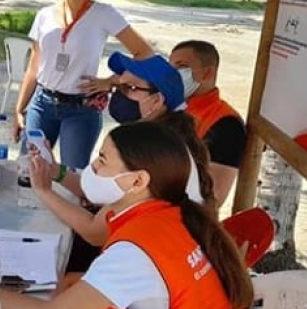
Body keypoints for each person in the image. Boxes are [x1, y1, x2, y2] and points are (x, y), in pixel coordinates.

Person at [1, 121, 254, 309]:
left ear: (138, 181)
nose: (93, 168)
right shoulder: (177, 217)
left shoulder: (138, 249)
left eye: (102, 160)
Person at [29, 52, 215, 268]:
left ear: (156, 101)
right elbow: (100, 188)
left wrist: (44, 191)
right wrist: (55, 172)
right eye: (118, 86)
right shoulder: (163, 135)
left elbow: (94, 233)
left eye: (130, 88)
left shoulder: (152, 154)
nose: (119, 94)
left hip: (155, 265)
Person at [12, 0, 152, 170]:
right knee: (29, 171)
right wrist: (19, 109)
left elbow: (144, 52)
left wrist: (111, 81)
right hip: (42, 103)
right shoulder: (44, 15)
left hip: (81, 109)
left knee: (73, 177)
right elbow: (33, 67)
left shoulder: (104, 14)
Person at [171, 40, 247, 208]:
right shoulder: (169, 105)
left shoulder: (227, 124)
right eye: (171, 68)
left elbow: (214, 196)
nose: (173, 74)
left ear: (207, 73)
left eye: (181, 67)